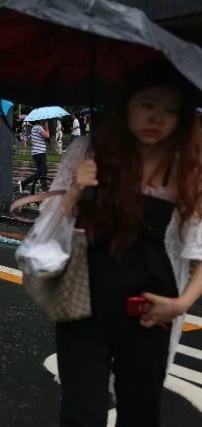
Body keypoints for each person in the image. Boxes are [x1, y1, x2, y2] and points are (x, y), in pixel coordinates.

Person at [48, 62, 202, 427]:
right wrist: (75, 191)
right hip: (83, 299)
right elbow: (48, 227)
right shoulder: (87, 150)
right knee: (81, 413)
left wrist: (181, 303)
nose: (158, 118)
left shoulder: (185, 164)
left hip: (148, 306)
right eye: (148, 104)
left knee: (140, 411)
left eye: (171, 110)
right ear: (126, 103)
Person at [19, 120, 50, 193]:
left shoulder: (35, 128)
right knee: (42, 171)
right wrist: (47, 127)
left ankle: (25, 184)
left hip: (38, 152)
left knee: (42, 171)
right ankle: (43, 187)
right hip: (39, 153)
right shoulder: (38, 127)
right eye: (44, 121)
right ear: (41, 121)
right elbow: (47, 135)